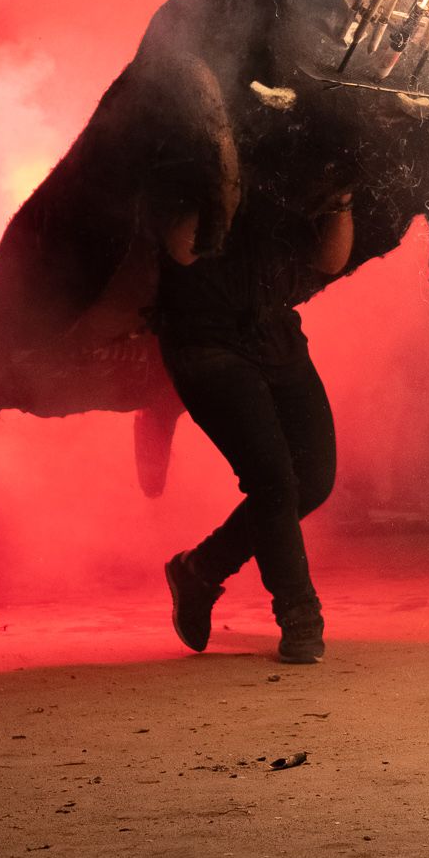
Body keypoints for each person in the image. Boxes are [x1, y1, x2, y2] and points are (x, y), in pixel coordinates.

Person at [157, 177, 354, 665]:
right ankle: (299, 614)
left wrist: (342, 197)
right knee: (273, 483)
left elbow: (328, 260)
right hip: (204, 340)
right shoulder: (198, 149)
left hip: (273, 333)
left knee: (312, 480)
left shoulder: (302, 153)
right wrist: (226, 170)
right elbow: (181, 250)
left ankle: (201, 569)